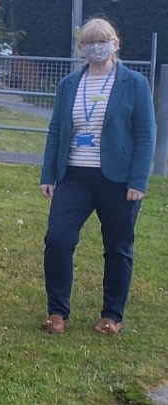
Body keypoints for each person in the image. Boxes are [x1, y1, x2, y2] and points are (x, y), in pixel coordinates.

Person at [39, 18, 156, 335]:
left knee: (117, 247)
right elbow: (55, 131)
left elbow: (146, 134)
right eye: (88, 43)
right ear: (82, 49)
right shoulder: (69, 85)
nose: (95, 47)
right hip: (74, 177)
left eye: (101, 41)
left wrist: (138, 182)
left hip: (118, 182)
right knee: (58, 240)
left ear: (115, 43)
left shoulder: (134, 84)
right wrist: (48, 174)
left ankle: (111, 316)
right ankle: (57, 313)